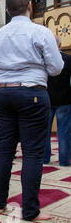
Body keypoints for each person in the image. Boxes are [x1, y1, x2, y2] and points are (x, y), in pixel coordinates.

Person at [0, 0, 64, 221]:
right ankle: (30, 210)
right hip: (31, 92)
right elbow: (56, 68)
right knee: (32, 152)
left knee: (4, 149)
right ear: (30, 6)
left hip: (2, 93)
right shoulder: (40, 31)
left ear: (8, 10)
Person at [44, 35, 71, 166]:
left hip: (47, 99)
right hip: (65, 99)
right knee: (64, 131)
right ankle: (64, 160)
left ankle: (45, 158)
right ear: (60, 45)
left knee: (45, 131)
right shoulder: (68, 59)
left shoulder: (44, 60)